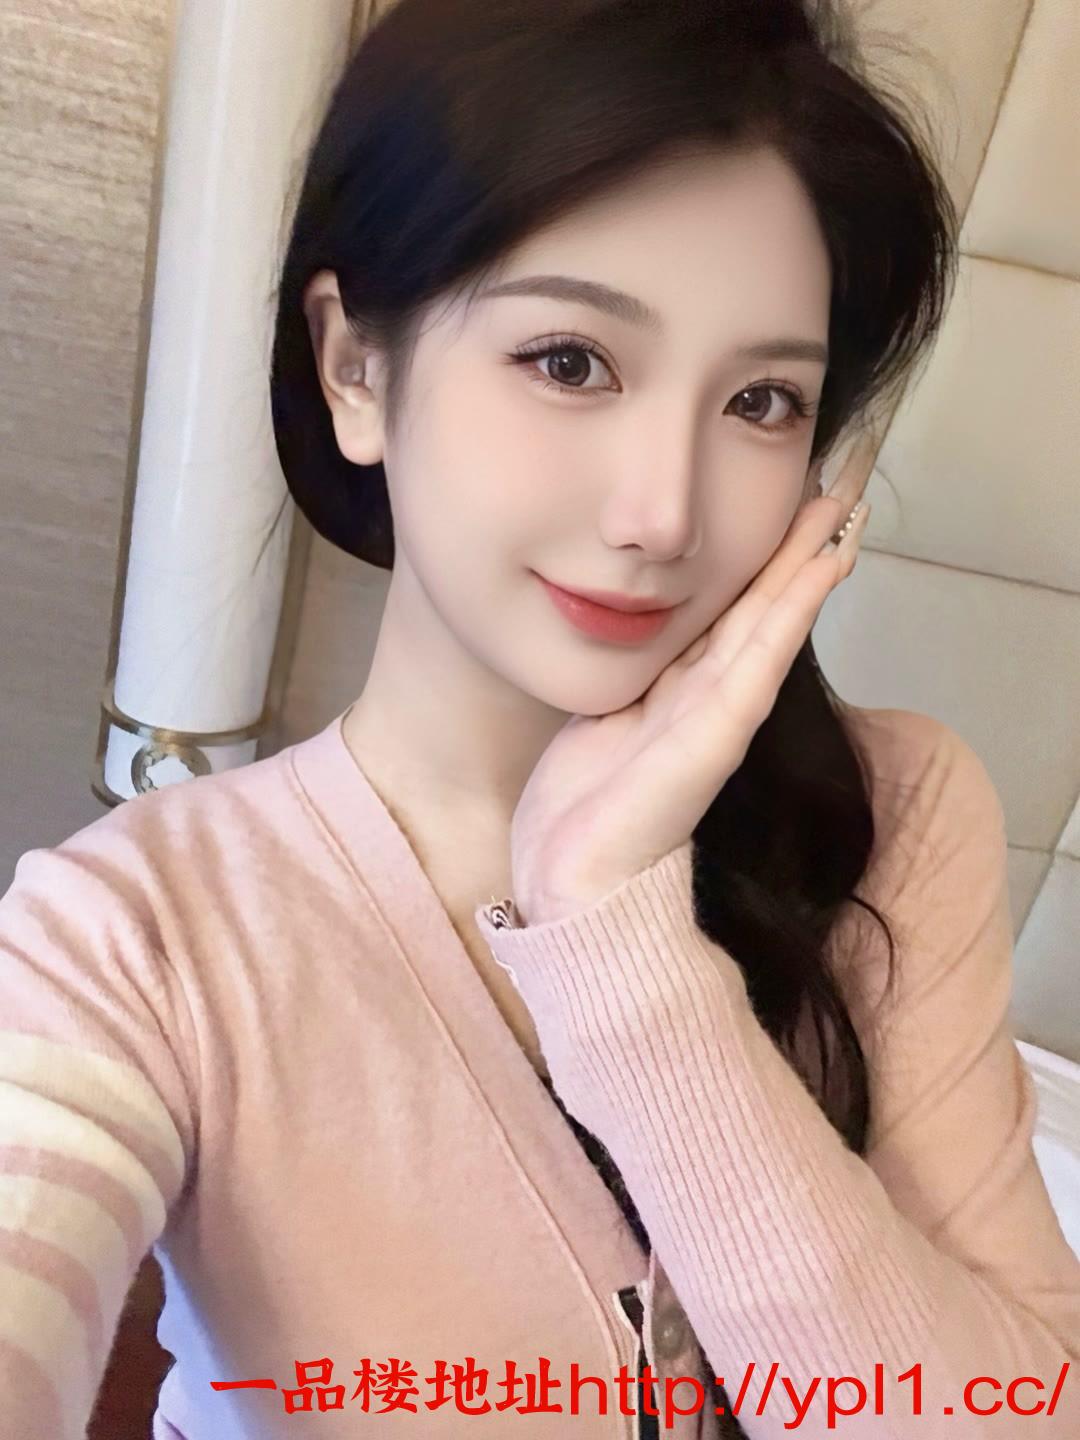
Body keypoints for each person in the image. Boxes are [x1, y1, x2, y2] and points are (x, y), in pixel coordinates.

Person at [2, 0, 1078, 1436]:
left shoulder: (897, 809)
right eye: (571, 361)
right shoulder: (130, 936)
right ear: (355, 367)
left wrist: (620, 947)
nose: (664, 513)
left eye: (763, 400)